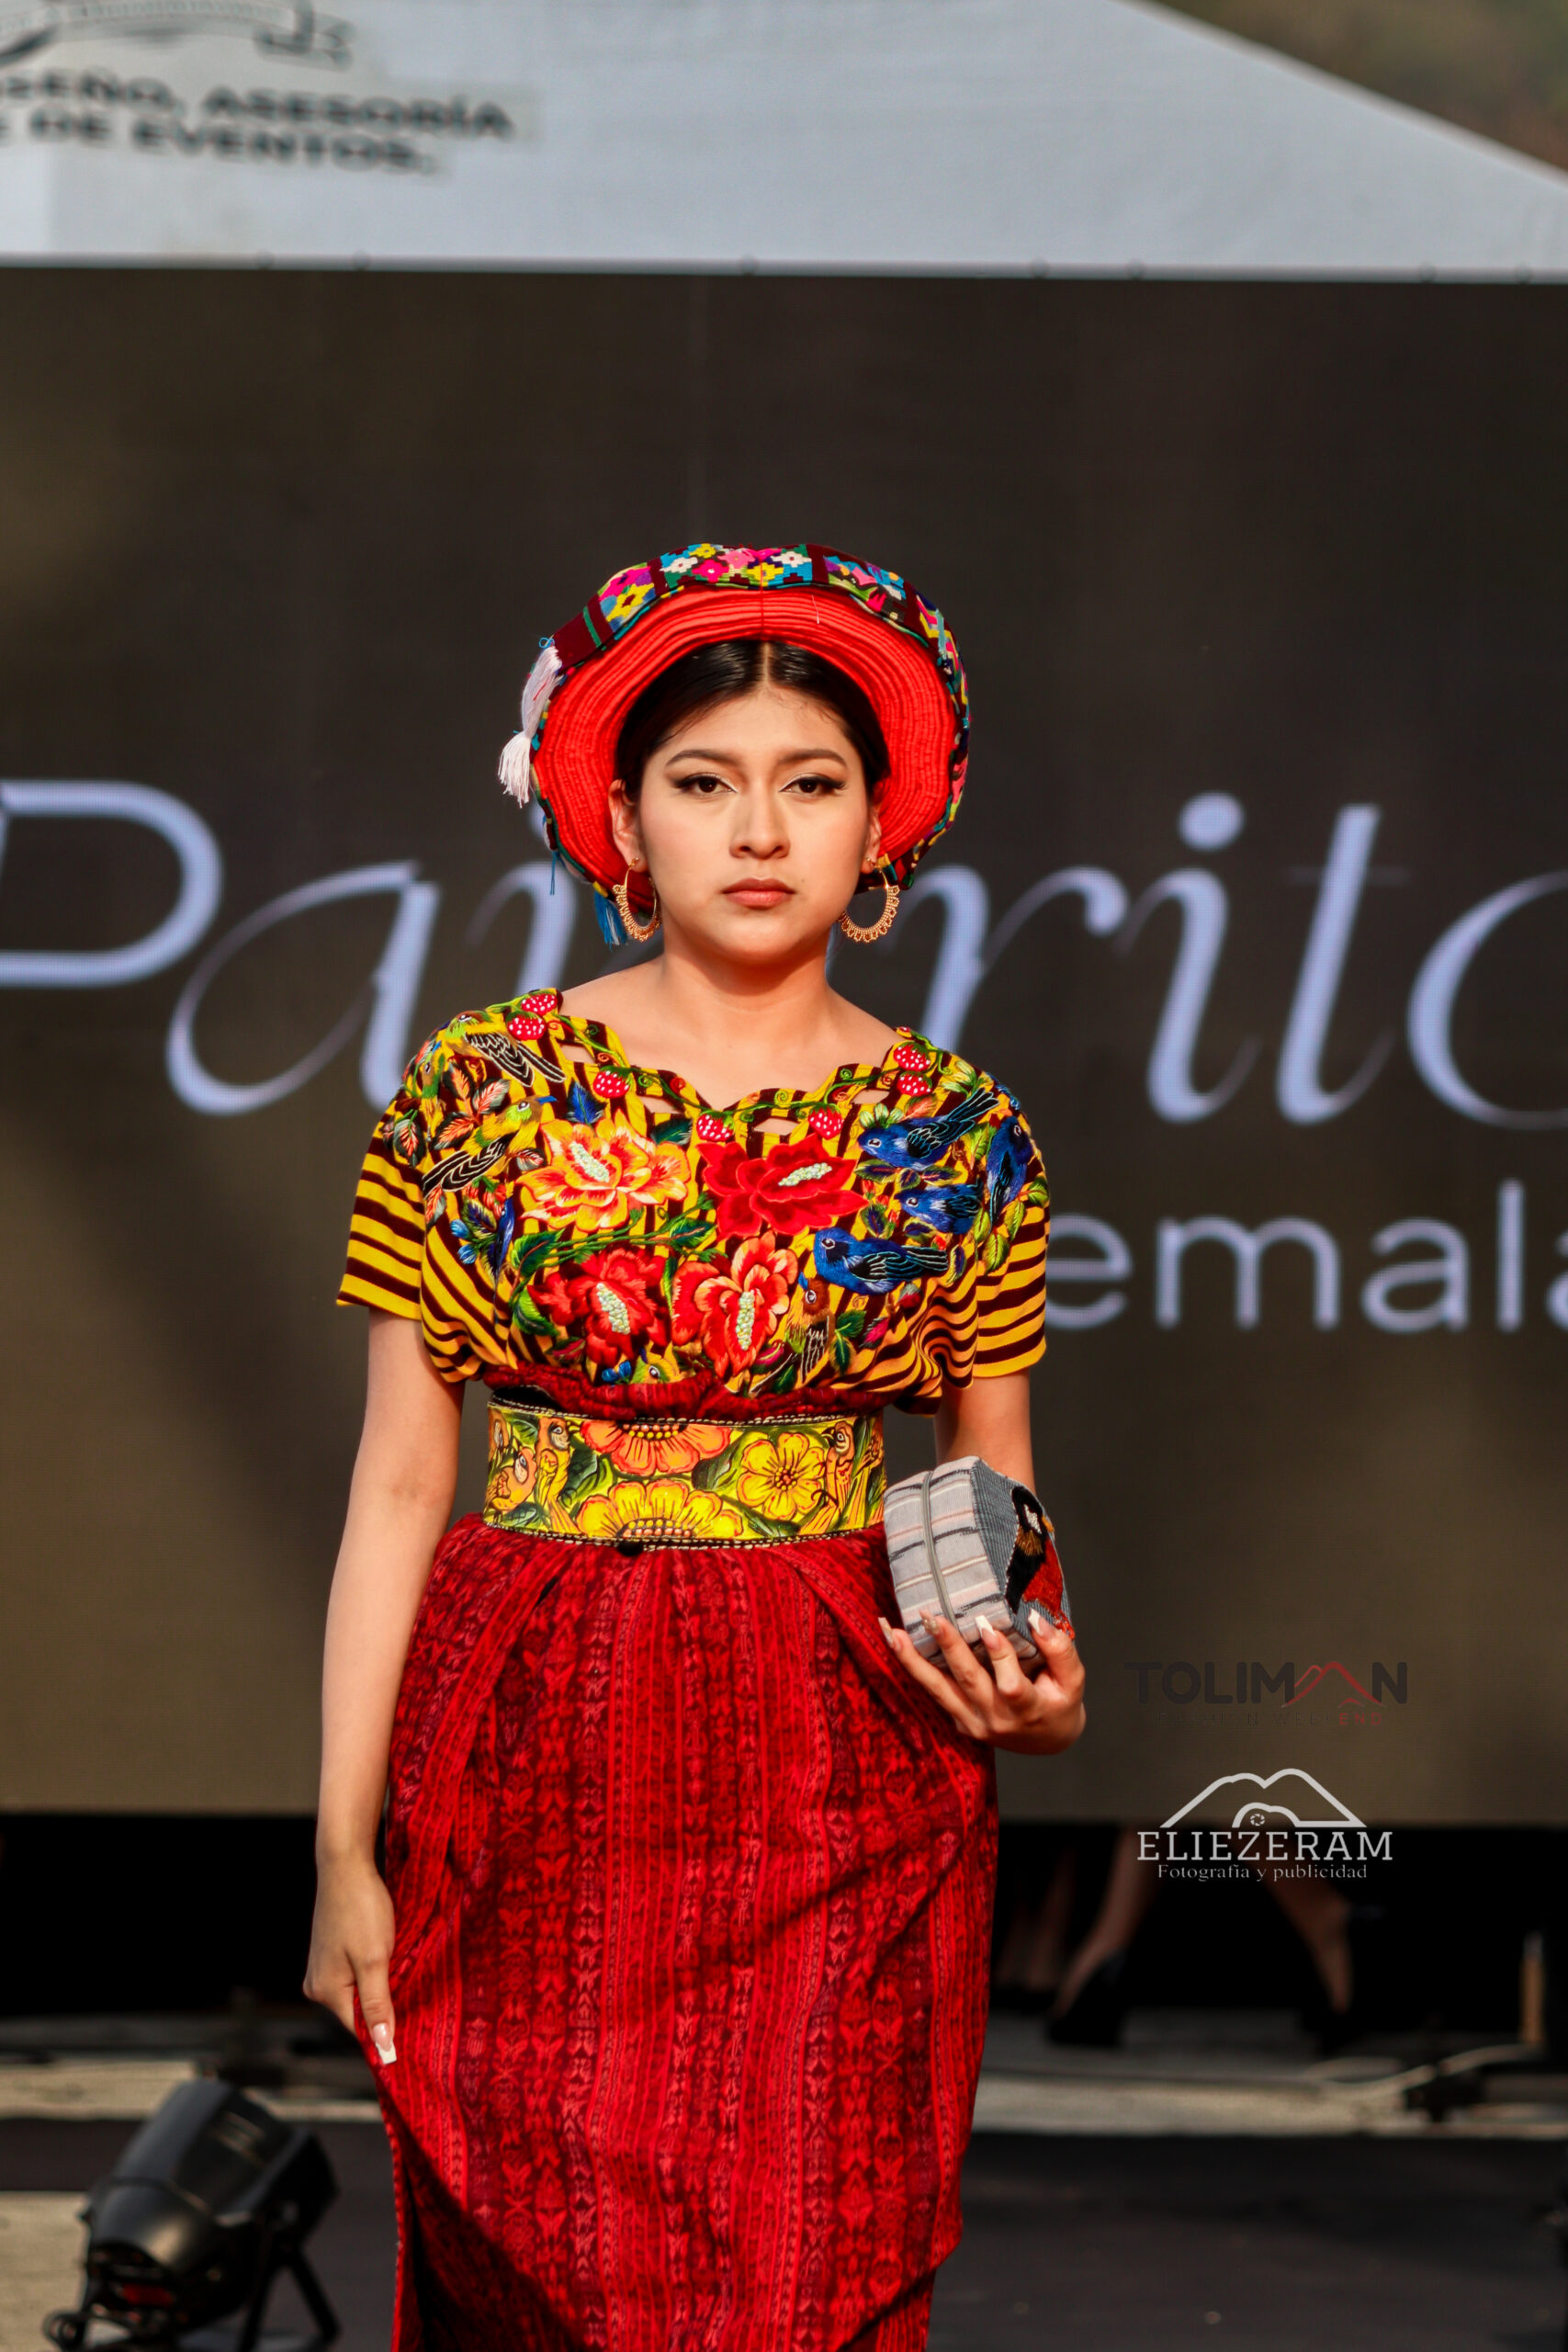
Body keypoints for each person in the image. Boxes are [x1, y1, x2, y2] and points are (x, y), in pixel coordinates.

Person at [303, 543, 1087, 2350]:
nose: (757, 829)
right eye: (703, 780)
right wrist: (342, 1842)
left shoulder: (958, 1131)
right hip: (532, 1729)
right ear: (619, 820)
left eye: (810, 783)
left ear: (879, 825)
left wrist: (1039, 1672)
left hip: (842, 1744)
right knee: (542, 2255)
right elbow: (400, 1481)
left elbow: (982, 1478)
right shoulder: (477, 1095)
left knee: (810, 2252)